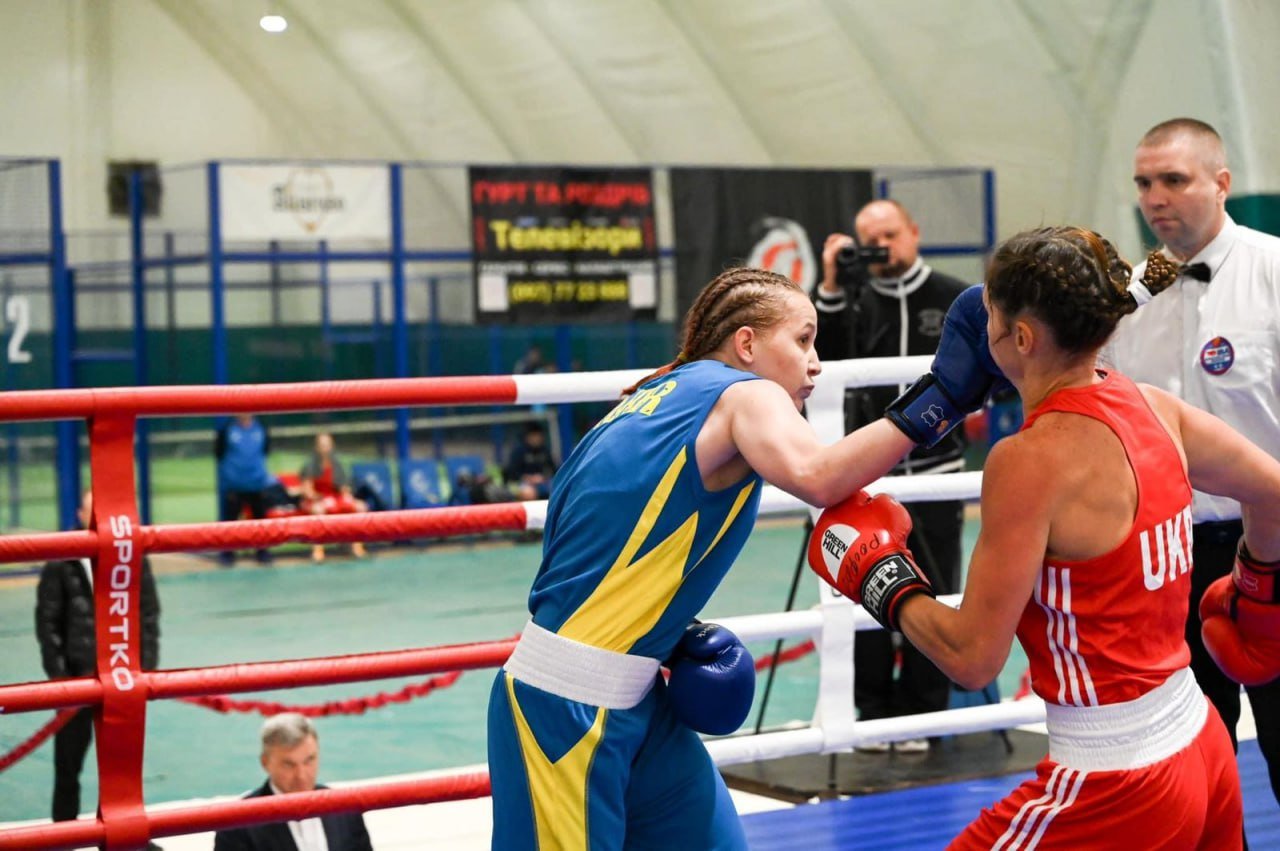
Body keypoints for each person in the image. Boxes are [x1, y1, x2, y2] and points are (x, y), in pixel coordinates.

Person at [486, 265, 1005, 849]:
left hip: (637, 697)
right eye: (803, 339)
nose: (816, 363)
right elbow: (818, 476)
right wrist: (942, 399)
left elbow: (589, 541)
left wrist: (663, 630)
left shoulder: (652, 395)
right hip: (567, 707)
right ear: (747, 344)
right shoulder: (747, 393)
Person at [810, 226, 1280, 848]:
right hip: (1201, 740)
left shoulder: (1028, 461)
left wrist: (879, 577)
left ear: (1023, 338)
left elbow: (972, 656)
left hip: (1114, 777)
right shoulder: (1154, 407)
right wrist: (1258, 585)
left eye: (991, 315)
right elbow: (1273, 492)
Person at [1101, 117, 1280, 809]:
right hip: (1169, 557)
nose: (1155, 198)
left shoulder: (1272, 271)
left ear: (1221, 182)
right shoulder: (1123, 298)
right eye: (1144, 183)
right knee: (1192, 761)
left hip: (1271, 544)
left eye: (1174, 180)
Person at [815, 198, 971, 751]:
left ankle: (922, 716)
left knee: (935, 591)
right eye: (869, 239)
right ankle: (874, 712)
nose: (881, 247)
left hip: (936, 471)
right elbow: (818, 360)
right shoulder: (852, 301)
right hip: (868, 476)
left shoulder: (953, 296)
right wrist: (831, 285)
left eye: (889, 235)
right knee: (865, 588)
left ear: (913, 232)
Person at [35, 489, 161, 826]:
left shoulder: (132, 556)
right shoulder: (61, 558)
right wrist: (62, 681)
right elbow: (47, 624)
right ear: (80, 515)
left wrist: (144, 670)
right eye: (92, 513)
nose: (99, 521)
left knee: (123, 765)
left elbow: (148, 614)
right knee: (68, 764)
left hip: (122, 679)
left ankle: (124, 833)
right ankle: (64, 834)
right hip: (76, 680)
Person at [213, 713, 373, 851]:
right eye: (289, 765)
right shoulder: (237, 825)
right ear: (265, 763)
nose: (301, 776)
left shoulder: (345, 809)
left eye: (309, 760)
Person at [299, 432, 369, 563]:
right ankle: (318, 550)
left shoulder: (336, 464)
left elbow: (343, 488)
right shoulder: (310, 465)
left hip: (334, 498)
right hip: (316, 500)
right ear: (317, 447)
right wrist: (320, 498)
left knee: (360, 506)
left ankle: (357, 547)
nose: (325, 448)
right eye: (322, 445)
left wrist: (347, 495)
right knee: (318, 510)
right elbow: (308, 491)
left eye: (328, 445)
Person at [216, 413, 276, 566]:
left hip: (257, 485)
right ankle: (227, 554)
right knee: (230, 523)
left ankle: (262, 552)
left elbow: (266, 450)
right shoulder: (227, 428)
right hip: (234, 486)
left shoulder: (261, 427)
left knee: (260, 523)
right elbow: (219, 453)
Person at [502, 422, 558, 501]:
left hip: (542, 482)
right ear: (527, 437)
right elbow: (512, 473)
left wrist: (543, 477)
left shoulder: (545, 451)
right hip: (521, 483)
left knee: (557, 489)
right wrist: (528, 478)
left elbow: (554, 469)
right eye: (534, 436)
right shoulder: (518, 451)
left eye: (539, 435)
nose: (537, 439)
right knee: (528, 493)